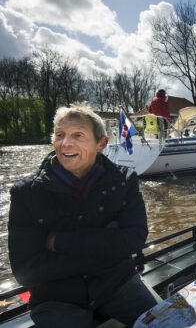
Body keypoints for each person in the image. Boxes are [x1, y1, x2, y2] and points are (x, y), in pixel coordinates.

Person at [8, 103, 159, 327]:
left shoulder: (124, 181)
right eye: (60, 135)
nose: (65, 143)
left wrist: (59, 241)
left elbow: (135, 238)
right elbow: (26, 270)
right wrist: (107, 246)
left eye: (77, 135)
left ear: (102, 143)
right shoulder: (27, 193)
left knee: (170, 322)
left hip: (118, 284)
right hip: (57, 297)